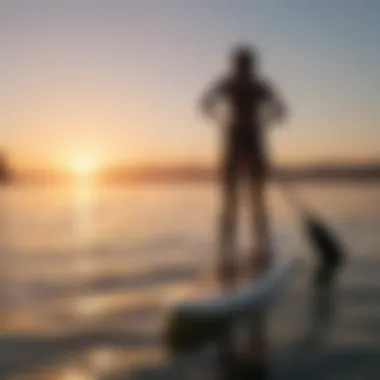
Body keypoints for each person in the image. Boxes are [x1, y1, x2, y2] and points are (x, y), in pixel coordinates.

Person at [200, 45, 287, 286]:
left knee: (257, 200)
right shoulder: (228, 84)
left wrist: (263, 120)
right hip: (234, 145)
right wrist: (225, 119)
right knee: (230, 202)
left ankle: (262, 251)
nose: (244, 68)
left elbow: (281, 110)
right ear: (236, 65)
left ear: (251, 65)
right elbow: (205, 104)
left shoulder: (260, 86)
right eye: (240, 64)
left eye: (246, 64)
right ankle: (226, 256)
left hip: (254, 145)